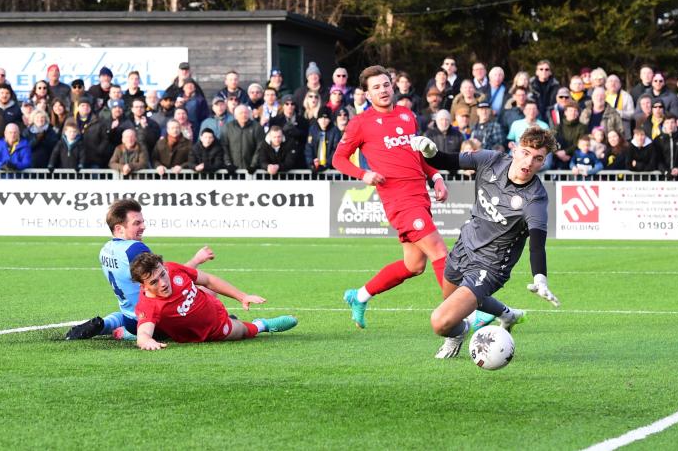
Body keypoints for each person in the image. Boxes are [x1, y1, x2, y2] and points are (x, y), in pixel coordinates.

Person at [410, 127, 560, 358]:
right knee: (452, 301)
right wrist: (429, 151)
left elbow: (537, 244)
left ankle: (457, 333)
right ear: (515, 149)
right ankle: (507, 315)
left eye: (538, 158)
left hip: (490, 266)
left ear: (543, 162)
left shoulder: (535, 198)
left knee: (441, 322)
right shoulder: (490, 160)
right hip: (464, 247)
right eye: (526, 153)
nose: (529, 162)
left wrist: (540, 279)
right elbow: (445, 160)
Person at [332, 65, 449, 329]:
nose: (383, 90)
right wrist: (363, 174)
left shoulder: (407, 115)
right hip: (399, 200)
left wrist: (436, 177)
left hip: (420, 196)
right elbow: (338, 159)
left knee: (414, 265)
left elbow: (417, 155)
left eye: (386, 85)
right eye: (376, 87)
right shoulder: (360, 123)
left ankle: (359, 296)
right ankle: (464, 312)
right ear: (366, 94)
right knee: (440, 251)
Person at [65, 199, 215, 341]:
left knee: (127, 313)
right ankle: (217, 325)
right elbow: (171, 276)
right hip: (151, 322)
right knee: (205, 291)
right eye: (137, 223)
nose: (143, 226)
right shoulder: (135, 249)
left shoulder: (105, 249)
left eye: (142, 222)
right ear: (119, 228)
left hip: (130, 317)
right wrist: (196, 260)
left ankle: (105, 325)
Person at [130, 252, 297, 350]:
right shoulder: (148, 305)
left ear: (164, 267)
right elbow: (143, 334)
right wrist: (147, 341)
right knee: (241, 331)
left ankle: (124, 331)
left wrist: (242, 296)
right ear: (142, 285)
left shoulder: (172, 268)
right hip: (211, 329)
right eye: (154, 282)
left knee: (208, 288)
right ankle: (262, 325)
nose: (163, 283)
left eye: (162, 274)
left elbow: (209, 280)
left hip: (209, 302)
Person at [222, 104, 265, 173]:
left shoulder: (257, 127)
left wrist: (253, 165)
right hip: (233, 169)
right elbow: (224, 146)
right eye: (241, 113)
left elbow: (260, 147)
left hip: (251, 170)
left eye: (246, 112)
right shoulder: (228, 127)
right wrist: (228, 164)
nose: (244, 115)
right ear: (235, 116)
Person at [654, 115, 678, 180]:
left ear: (676, 124)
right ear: (664, 125)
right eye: (667, 123)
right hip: (663, 178)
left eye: (672, 122)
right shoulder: (658, 140)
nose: (670, 125)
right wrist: (665, 171)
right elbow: (657, 159)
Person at [553, 102, 588, 169]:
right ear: (565, 113)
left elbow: (580, 144)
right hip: (558, 158)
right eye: (570, 111)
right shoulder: (558, 127)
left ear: (578, 113)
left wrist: (565, 152)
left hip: (576, 158)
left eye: (575, 111)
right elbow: (552, 142)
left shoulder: (583, 128)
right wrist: (557, 153)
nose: (573, 113)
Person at [305, 107, 339, 173]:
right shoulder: (313, 130)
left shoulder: (334, 131)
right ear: (318, 119)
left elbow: (335, 149)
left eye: (326, 118)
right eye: (321, 118)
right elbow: (308, 148)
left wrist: (326, 164)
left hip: (330, 171)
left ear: (329, 120)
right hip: (315, 168)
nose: (323, 120)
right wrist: (312, 163)